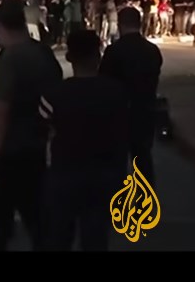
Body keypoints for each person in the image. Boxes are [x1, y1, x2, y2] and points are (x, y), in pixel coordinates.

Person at [0, 0, 63, 251]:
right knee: (38, 220)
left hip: (11, 150)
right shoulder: (43, 53)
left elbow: (2, 110)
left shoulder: (9, 59)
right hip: (37, 145)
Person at [40, 30, 129, 251]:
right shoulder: (117, 92)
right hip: (104, 172)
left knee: (59, 236)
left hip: (64, 172)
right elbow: (123, 133)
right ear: (98, 56)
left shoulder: (53, 95)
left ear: (69, 57)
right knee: (96, 236)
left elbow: (43, 131)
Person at [99, 7, 163, 185]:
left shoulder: (114, 51)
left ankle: (118, 198)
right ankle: (145, 196)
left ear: (120, 25)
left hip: (119, 113)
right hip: (145, 110)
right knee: (143, 158)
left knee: (117, 162)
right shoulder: (152, 50)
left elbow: (104, 81)